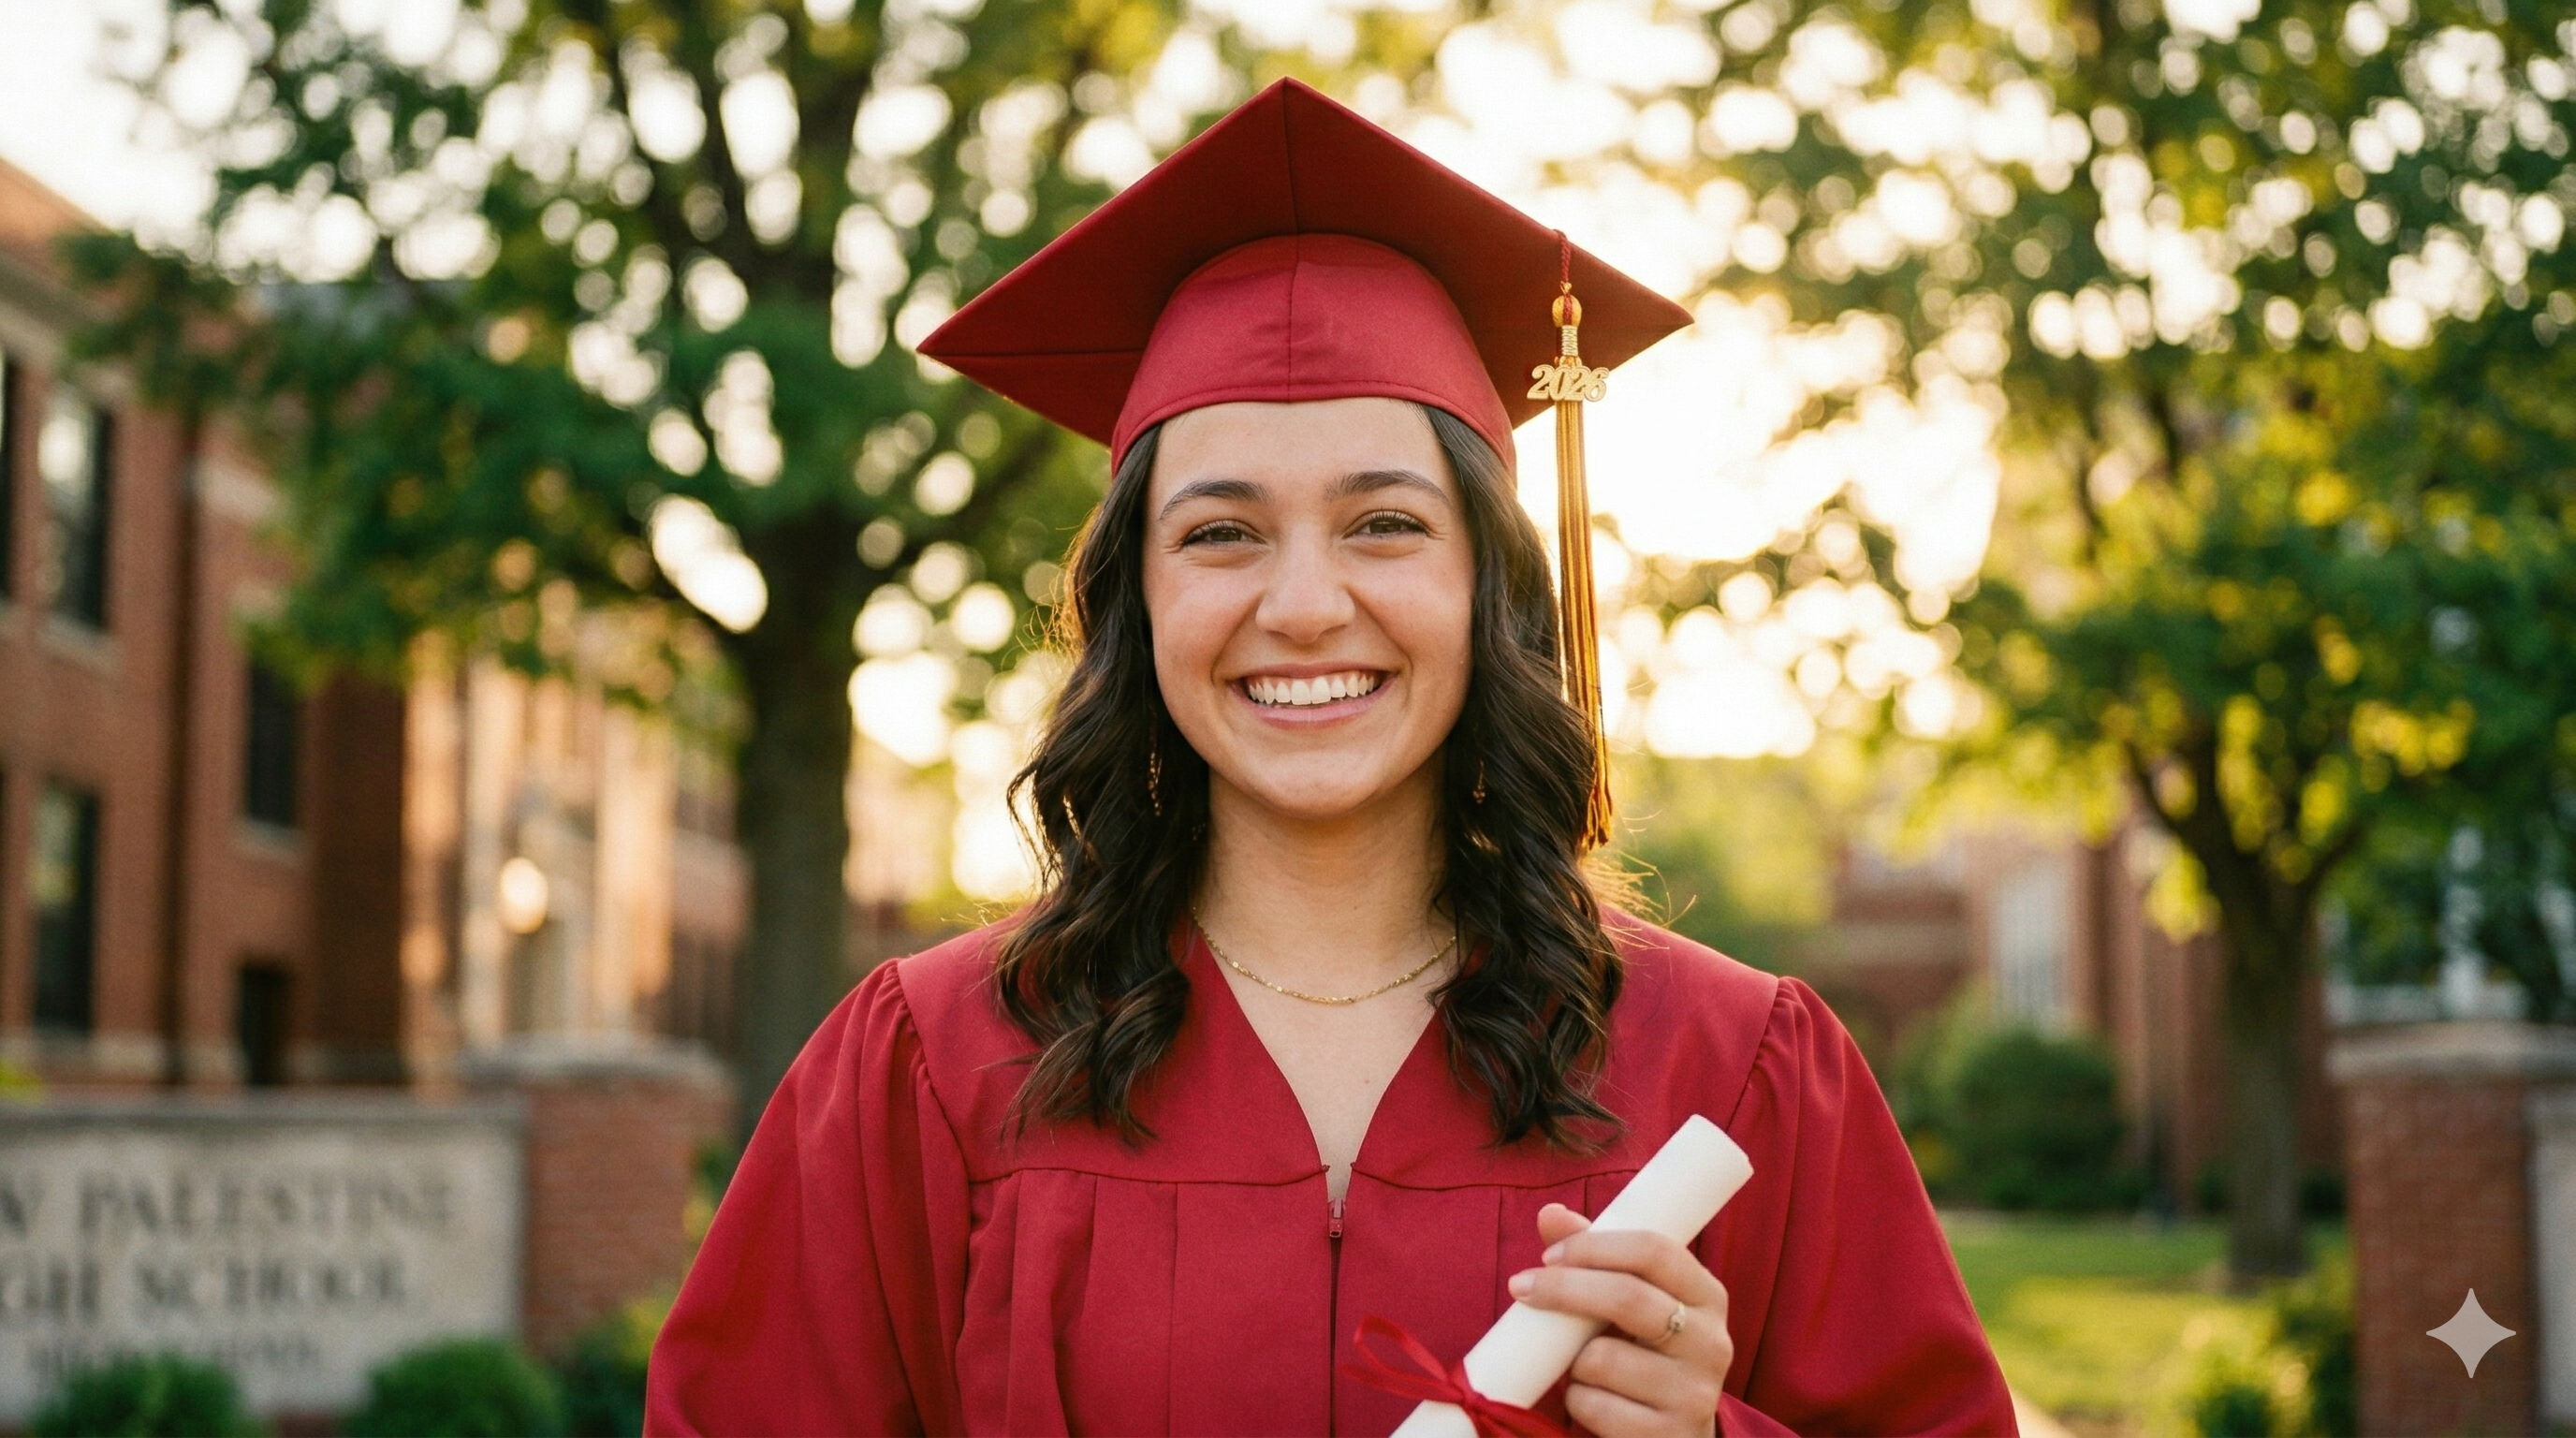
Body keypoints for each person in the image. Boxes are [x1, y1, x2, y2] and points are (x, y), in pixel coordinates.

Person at [647, 79, 2016, 1438]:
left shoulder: (1732, 1066)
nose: (1303, 605)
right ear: (1137, 602)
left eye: (1384, 525)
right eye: (1221, 533)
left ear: (1488, 588)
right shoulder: (935, 1068)